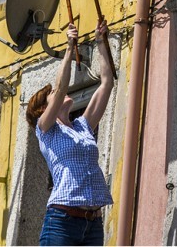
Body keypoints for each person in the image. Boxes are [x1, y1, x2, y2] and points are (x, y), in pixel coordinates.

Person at [26, 20, 114, 246]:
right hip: (62, 220)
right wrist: (68, 48)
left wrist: (101, 43)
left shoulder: (83, 126)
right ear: (45, 109)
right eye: (54, 94)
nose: (60, 92)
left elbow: (106, 83)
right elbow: (62, 87)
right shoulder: (46, 130)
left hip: (92, 222)